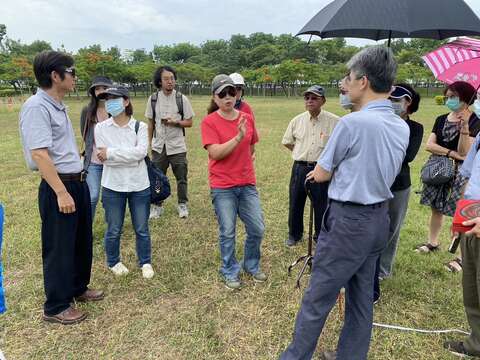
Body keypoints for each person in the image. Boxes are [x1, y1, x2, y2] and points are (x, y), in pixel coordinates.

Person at [279, 46, 409, 360]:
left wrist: (324, 171)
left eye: (348, 78)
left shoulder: (352, 124)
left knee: (317, 298)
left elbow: (322, 172)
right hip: (379, 219)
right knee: (361, 299)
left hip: (348, 222)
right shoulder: (401, 125)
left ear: (363, 81)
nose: (344, 84)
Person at [19, 51, 103, 325]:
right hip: (60, 186)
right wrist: (61, 192)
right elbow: (40, 154)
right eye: (72, 71)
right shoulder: (36, 107)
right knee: (59, 246)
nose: (75, 76)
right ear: (55, 76)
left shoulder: (57, 105)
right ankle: (55, 305)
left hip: (75, 181)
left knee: (80, 241)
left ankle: (77, 287)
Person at [201, 74, 266, 290]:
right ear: (215, 97)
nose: (228, 97)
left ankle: (251, 264)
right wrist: (237, 138)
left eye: (232, 92)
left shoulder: (247, 117)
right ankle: (229, 269)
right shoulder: (209, 122)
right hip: (222, 186)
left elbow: (252, 146)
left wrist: (245, 154)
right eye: (223, 94)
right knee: (228, 231)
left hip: (246, 183)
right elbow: (216, 153)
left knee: (257, 228)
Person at [95, 86, 154, 279]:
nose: (109, 102)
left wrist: (111, 153)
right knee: (113, 228)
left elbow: (141, 153)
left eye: (114, 98)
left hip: (139, 185)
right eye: (107, 99)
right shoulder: (100, 128)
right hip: (113, 185)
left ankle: (145, 261)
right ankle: (114, 261)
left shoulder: (141, 127)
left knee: (142, 228)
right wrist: (127, 154)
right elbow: (102, 155)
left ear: (126, 101)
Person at [417, 81, 480, 260]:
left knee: (463, 210)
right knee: (436, 206)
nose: (449, 100)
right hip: (440, 167)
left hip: (463, 173)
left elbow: (465, 153)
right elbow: (429, 145)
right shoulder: (441, 118)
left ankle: (461, 256)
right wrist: (451, 153)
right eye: (448, 96)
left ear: (466, 98)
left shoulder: (476, 121)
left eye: (454, 97)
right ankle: (432, 242)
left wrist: (465, 130)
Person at [444, 93, 480, 357]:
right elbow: (468, 180)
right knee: (472, 290)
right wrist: (459, 219)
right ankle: (475, 342)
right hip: (470, 221)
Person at [281, 85, 339, 247]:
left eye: (314, 98)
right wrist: (301, 152)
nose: (310, 101)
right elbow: (287, 142)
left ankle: (320, 236)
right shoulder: (297, 121)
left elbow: (339, 147)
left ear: (323, 101)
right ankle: (294, 234)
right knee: (296, 202)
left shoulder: (335, 122)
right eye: (307, 98)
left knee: (321, 203)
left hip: (321, 169)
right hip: (300, 168)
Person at [380, 84, 424, 278]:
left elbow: (408, 155)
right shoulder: (379, 122)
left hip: (399, 184)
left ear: (409, 103)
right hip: (376, 181)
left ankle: (383, 269)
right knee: (370, 225)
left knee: (392, 227)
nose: (393, 104)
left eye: (398, 100)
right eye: (390, 100)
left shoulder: (415, 128)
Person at [145, 66, 195, 219]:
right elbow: (151, 123)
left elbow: (190, 122)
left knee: (181, 176)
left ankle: (182, 204)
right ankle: (157, 206)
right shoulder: (153, 99)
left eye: (172, 78)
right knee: (157, 177)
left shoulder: (181, 98)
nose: (170, 81)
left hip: (177, 145)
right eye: (166, 79)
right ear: (159, 81)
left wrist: (175, 122)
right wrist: (149, 143)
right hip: (159, 145)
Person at [80, 76, 113, 221]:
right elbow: (85, 134)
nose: (100, 91)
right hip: (93, 161)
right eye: (97, 89)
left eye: (104, 88)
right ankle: (86, 229)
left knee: (109, 198)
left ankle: (112, 226)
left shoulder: (115, 108)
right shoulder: (87, 110)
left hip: (113, 160)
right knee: (92, 196)